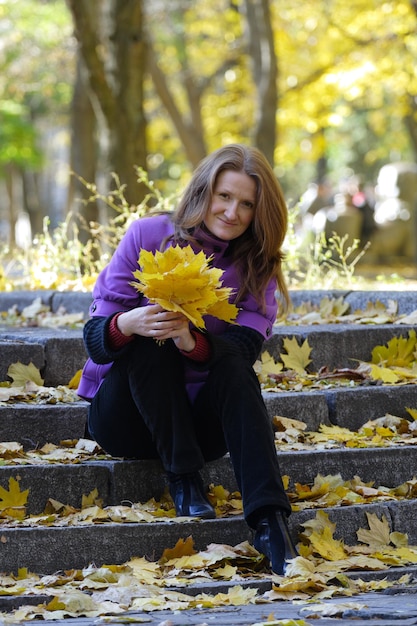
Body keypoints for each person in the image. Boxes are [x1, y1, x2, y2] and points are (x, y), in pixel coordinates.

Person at [77, 143, 298, 575]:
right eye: (224, 196)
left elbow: (245, 349)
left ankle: (271, 522)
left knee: (234, 367)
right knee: (148, 333)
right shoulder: (147, 235)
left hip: (201, 428)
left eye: (247, 204)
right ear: (205, 192)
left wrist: (190, 341)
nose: (232, 212)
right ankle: (183, 478)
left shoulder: (257, 265)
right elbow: (94, 340)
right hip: (127, 418)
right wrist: (131, 323)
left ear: (260, 212)